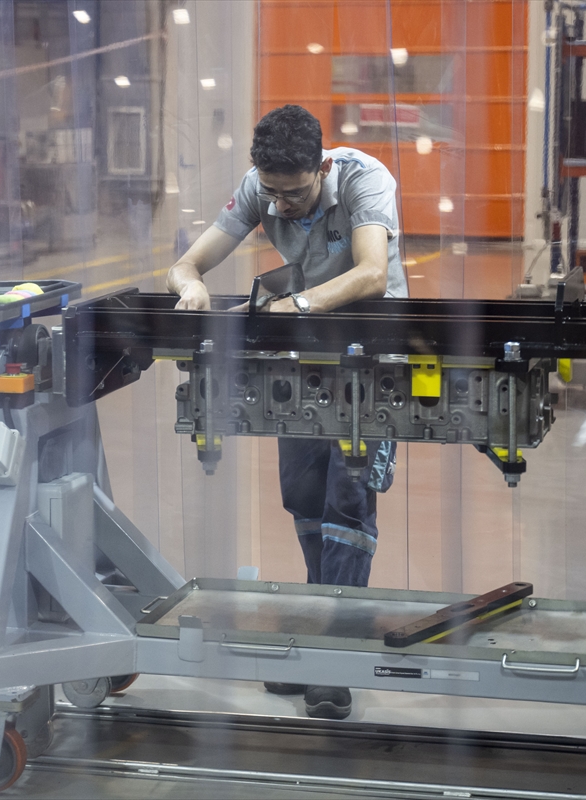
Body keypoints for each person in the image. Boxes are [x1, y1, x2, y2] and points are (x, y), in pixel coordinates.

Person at [166, 104, 407, 720]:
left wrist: (294, 306)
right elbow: (187, 263)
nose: (280, 206)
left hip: (371, 356)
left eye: (293, 193)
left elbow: (371, 274)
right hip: (303, 359)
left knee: (347, 499)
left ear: (321, 168)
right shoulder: (262, 185)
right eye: (271, 193)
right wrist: (191, 285)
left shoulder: (365, 180)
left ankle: (336, 655)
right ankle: (323, 630)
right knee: (303, 495)